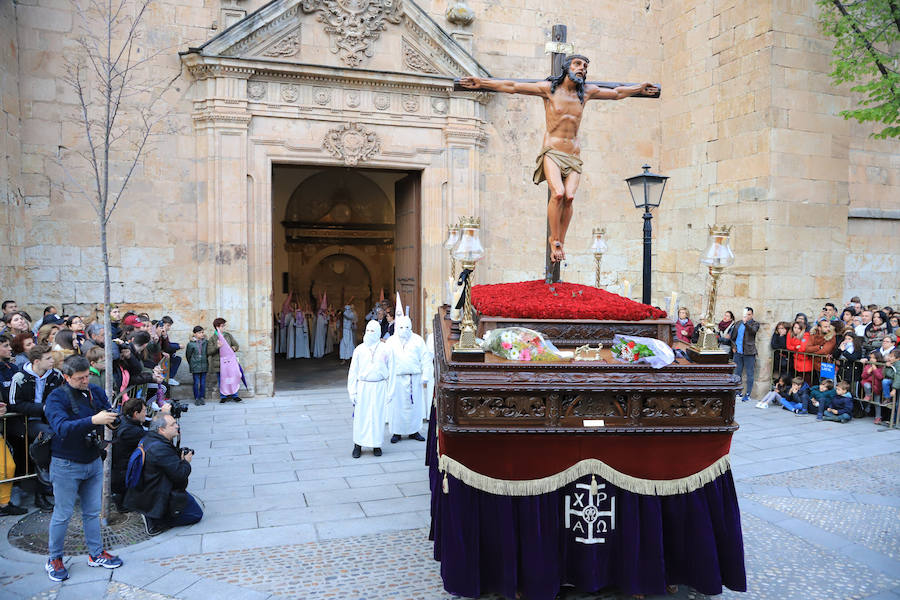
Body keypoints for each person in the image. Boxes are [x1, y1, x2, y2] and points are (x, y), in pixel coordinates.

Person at [459, 56, 658, 262]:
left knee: (570, 197)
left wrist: (640, 88)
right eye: (577, 64)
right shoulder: (549, 90)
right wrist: (482, 83)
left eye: (585, 66)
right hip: (553, 151)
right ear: (567, 67)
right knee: (558, 193)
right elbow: (513, 86)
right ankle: (553, 240)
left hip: (573, 155)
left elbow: (617, 93)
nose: (582, 69)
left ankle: (560, 242)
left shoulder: (586, 93)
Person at [44, 355, 123, 581]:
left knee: (91, 512)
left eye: (87, 376)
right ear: (66, 377)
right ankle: (54, 558)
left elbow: (108, 415)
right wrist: (93, 421)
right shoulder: (56, 397)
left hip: (93, 460)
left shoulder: (95, 391)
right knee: (63, 514)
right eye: (80, 378)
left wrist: (113, 420)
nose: (85, 381)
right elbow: (61, 428)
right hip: (66, 463)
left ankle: (96, 553)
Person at [125, 413, 203, 535]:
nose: (177, 426)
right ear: (161, 429)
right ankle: (155, 520)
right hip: (156, 492)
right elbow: (180, 475)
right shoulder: (160, 448)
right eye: (172, 425)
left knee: (190, 503)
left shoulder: (150, 439)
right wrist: (186, 462)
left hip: (149, 487)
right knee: (196, 514)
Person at [8, 343, 64, 511]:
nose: (52, 361)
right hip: (26, 422)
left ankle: (52, 485)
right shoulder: (19, 377)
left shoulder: (56, 375)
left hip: (49, 420)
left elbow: (61, 396)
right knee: (45, 440)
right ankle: (41, 490)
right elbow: (14, 404)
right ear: (36, 361)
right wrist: (42, 408)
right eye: (48, 358)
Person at [386, 298, 432, 444]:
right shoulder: (391, 342)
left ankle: (414, 431)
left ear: (410, 327)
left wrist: (425, 376)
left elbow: (425, 358)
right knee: (396, 406)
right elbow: (384, 360)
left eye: (406, 327)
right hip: (396, 378)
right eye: (401, 327)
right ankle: (397, 432)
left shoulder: (418, 340)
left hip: (414, 378)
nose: (404, 330)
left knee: (415, 406)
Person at [347, 320, 392, 458]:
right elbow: (353, 372)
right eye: (368, 330)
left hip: (379, 387)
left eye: (373, 330)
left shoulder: (385, 349)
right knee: (361, 417)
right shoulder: (359, 349)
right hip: (363, 387)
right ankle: (358, 445)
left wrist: (390, 391)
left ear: (378, 332)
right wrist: (352, 391)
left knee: (377, 416)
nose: (370, 333)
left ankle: (376, 444)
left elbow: (391, 370)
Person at [110, 396, 148, 511]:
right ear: (136, 414)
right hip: (122, 474)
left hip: (119, 469)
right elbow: (151, 439)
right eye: (144, 411)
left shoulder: (124, 420)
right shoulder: (131, 431)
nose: (146, 414)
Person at [206, 318, 241, 402]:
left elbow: (236, 345)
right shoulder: (212, 338)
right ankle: (223, 396)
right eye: (222, 326)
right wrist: (217, 347)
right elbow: (209, 351)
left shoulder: (228, 335)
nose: (224, 327)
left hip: (230, 363)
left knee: (233, 378)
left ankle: (234, 395)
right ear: (217, 327)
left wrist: (234, 348)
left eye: (224, 325)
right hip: (219, 363)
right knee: (222, 380)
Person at [730, 307, 759, 402]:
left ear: (752, 315)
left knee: (750, 374)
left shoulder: (755, 324)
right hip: (738, 352)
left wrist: (746, 323)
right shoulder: (738, 323)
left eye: (749, 314)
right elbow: (732, 337)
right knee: (737, 373)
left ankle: (748, 394)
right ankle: (738, 392)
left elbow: (753, 332)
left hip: (749, 352)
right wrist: (733, 346)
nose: (747, 316)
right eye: (746, 314)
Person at [185, 326, 208, 406]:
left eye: (202, 332)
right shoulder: (191, 344)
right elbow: (188, 355)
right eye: (199, 332)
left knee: (203, 383)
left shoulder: (205, 342)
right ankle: (197, 398)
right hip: (195, 366)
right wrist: (192, 363)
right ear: (194, 334)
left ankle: (202, 397)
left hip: (204, 365)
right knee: (196, 382)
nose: (202, 334)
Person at [340, 301, 357, 365]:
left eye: (348, 309)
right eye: (346, 309)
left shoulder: (351, 314)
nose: (347, 310)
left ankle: (350, 358)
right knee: (343, 344)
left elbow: (348, 317)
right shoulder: (344, 313)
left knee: (349, 344)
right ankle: (343, 358)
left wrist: (343, 312)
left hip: (349, 331)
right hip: (344, 331)